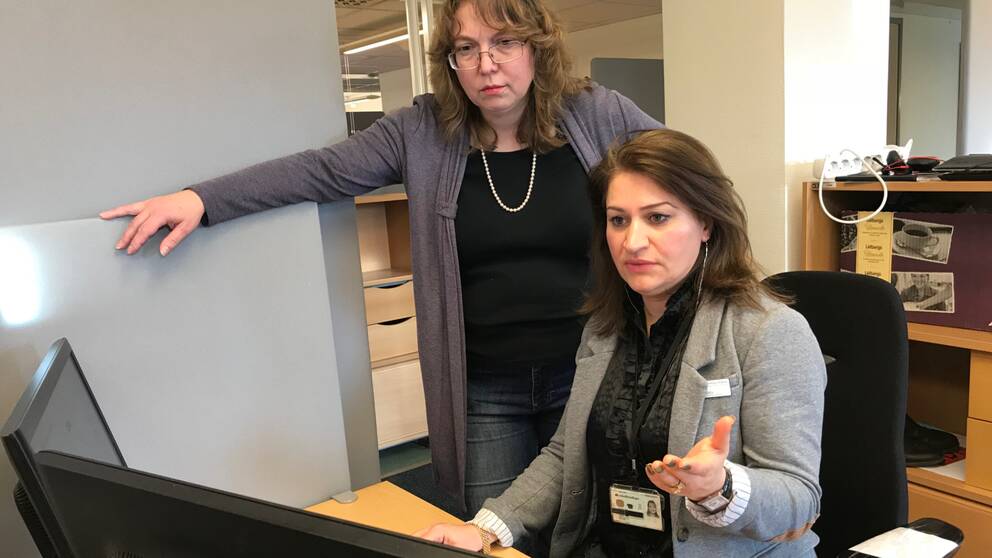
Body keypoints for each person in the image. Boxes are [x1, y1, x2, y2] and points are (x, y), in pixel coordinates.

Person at [99, 0, 662, 515]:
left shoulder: (595, 114)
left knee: (594, 523)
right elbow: (319, 171)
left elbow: (686, 172)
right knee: (491, 531)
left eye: (505, 43)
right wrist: (202, 200)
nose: (486, 65)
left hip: (590, 368)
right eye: (467, 48)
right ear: (451, 61)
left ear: (537, 47)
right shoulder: (422, 132)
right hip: (484, 387)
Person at [414, 129, 827, 557]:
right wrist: (484, 529)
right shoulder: (605, 327)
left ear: (706, 223)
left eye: (658, 218)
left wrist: (719, 487)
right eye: (618, 220)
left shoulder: (768, 331)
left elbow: (798, 498)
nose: (632, 242)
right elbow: (566, 455)